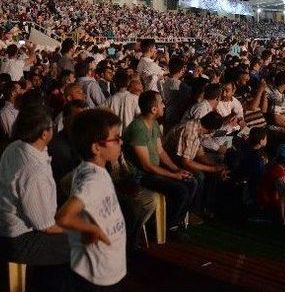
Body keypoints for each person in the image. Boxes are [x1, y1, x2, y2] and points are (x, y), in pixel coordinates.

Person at [0, 108, 70, 290]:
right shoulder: (34, 172)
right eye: (52, 127)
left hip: (4, 227)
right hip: (16, 240)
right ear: (44, 134)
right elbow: (45, 226)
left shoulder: (15, 146)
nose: (54, 130)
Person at [56, 109, 126, 290]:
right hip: (99, 270)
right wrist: (93, 229)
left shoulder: (87, 168)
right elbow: (63, 216)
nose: (121, 142)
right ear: (96, 148)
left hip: (97, 263)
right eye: (116, 138)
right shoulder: (94, 180)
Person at [123, 91, 197, 234]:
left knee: (191, 181)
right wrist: (174, 175)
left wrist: (176, 170)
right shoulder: (138, 128)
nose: (164, 105)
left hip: (153, 170)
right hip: (140, 175)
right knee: (180, 190)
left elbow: (160, 151)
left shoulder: (154, 123)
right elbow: (146, 165)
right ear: (154, 109)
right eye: (161, 103)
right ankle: (167, 226)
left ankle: (175, 221)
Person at [258, 143, 285, 226]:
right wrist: (282, 216)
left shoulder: (272, 164)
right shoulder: (280, 176)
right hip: (268, 202)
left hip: (264, 194)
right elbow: (281, 197)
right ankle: (267, 217)